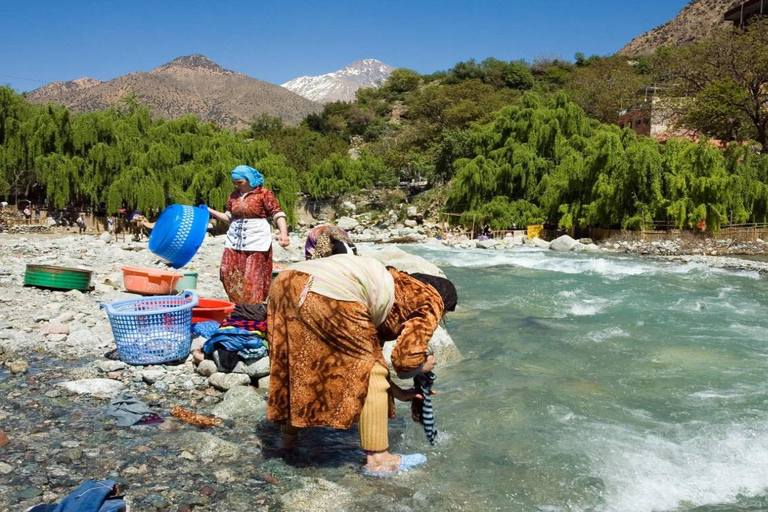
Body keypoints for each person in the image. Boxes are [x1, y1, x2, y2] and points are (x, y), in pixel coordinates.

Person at [267, 253, 458, 476]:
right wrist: (421, 367)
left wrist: (399, 394)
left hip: (285, 283)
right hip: (327, 292)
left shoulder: (391, 287)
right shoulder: (430, 297)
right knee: (369, 371)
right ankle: (380, 460)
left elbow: (370, 353)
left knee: (298, 363)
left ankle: (286, 440)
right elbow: (403, 361)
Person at [207, 165, 290, 304]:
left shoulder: (263, 194)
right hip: (235, 239)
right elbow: (229, 218)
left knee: (252, 276)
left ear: (249, 179)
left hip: (256, 240)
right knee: (227, 272)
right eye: (234, 182)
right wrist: (210, 211)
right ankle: (238, 306)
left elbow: (277, 213)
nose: (236, 185)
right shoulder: (233, 196)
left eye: (240, 182)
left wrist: (284, 233)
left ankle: (252, 309)